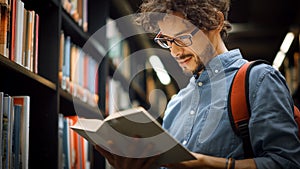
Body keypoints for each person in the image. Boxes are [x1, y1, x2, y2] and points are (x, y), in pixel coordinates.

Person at [95, 0, 300, 168]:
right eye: (167, 40)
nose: (175, 52)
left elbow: (286, 163)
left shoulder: (259, 80)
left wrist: (203, 163)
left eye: (182, 38)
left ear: (216, 22)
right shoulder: (176, 104)